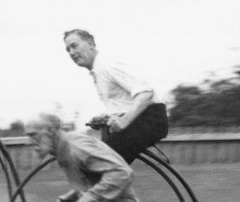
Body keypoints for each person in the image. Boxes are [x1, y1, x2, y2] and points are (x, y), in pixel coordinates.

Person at [63, 29, 168, 163]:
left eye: (74, 46)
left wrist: (125, 120)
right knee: (100, 168)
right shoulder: (98, 71)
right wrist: (108, 117)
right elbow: (124, 102)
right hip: (137, 121)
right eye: (68, 50)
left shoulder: (108, 65)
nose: (71, 52)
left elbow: (146, 93)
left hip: (149, 120)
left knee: (100, 164)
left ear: (90, 43)